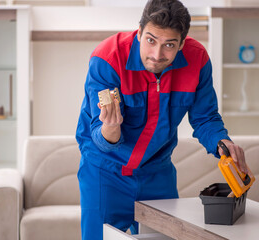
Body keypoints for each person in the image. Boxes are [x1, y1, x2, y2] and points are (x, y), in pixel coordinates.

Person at [76, 0, 248, 239]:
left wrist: (222, 143)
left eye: (169, 44)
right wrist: (111, 128)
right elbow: (99, 135)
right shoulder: (108, 58)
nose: (157, 55)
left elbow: (205, 117)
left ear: (181, 44)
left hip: (158, 173)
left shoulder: (197, 60)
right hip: (105, 173)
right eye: (150, 40)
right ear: (139, 33)